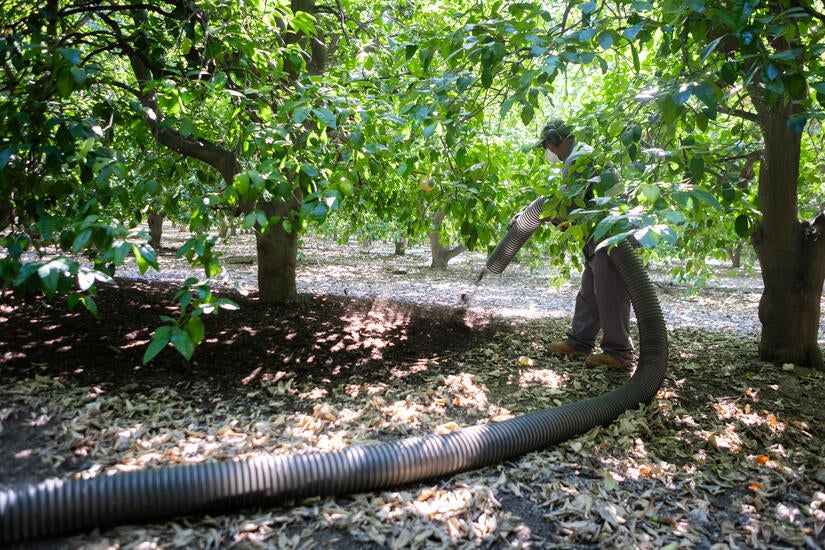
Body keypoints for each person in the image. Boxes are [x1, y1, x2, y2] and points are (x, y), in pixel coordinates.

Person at [533, 119, 635, 369]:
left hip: (610, 231)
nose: (549, 150)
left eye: (548, 144)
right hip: (598, 230)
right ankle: (580, 342)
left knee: (610, 292)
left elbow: (570, 206)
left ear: (557, 139)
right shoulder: (580, 155)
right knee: (590, 289)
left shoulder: (577, 159)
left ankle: (618, 353)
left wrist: (542, 214)